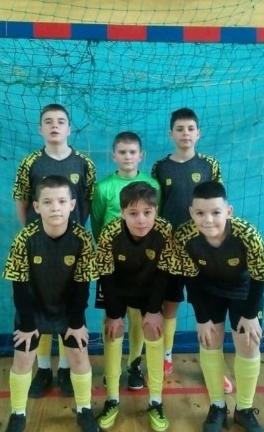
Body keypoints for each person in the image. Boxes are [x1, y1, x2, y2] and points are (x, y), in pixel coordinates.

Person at [172, 181, 264, 432]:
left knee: (249, 343)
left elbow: (260, 276)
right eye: (200, 213)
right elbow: (190, 279)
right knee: (209, 341)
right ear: (191, 213)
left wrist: (250, 314)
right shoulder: (184, 236)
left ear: (228, 211)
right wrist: (202, 318)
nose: (208, 220)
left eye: (215, 212)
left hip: (244, 291)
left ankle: (244, 409)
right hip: (208, 290)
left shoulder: (247, 234)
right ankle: (217, 406)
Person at [2, 175, 99, 432]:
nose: (55, 207)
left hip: (68, 311)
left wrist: (76, 322)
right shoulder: (24, 239)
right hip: (33, 310)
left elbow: (82, 284)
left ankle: (84, 409)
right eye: (47, 202)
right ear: (36, 207)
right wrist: (27, 323)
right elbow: (19, 284)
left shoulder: (82, 239)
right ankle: (18, 414)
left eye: (61, 201)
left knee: (79, 356)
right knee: (23, 359)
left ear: (72, 205)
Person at [12, 103, 96, 398]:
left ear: (69, 128)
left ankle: (65, 370)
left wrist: (74, 230)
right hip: (40, 245)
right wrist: (32, 231)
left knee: (68, 301)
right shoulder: (30, 163)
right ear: (41, 129)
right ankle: (44, 369)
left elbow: (87, 201)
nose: (55, 126)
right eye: (48, 121)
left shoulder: (84, 163)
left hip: (72, 246)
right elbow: (22, 200)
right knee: (41, 301)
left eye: (60, 121)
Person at [151, 107, 232, 393]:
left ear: (198, 133)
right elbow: (155, 207)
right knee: (169, 303)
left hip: (203, 249)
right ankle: (166, 358)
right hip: (172, 247)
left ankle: (214, 368)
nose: (185, 133)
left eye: (190, 129)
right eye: (180, 129)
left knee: (208, 307)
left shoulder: (209, 164)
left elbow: (217, 205)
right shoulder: (160, 167)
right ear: (170, 134)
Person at [94, 181, 173, 431]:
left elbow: (163, 273)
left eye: (147, 212)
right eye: (133, 213)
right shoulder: (110, 232)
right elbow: (106, 275)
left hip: (149, 289)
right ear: (122, 213)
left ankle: (156, 401)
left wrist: (154, 310)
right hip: (118, 287)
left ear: (156, 211)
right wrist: (114, 315)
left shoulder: (165, 230)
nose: (141, 219)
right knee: (113, 330)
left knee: (153, 330)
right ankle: (112, 399)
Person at [90, 131, 161, 391]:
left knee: (138, 317)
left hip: (144, 263)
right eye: (122, 152)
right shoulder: (103, 187)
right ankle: (112, 370)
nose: (127, 156)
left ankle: (134, 365)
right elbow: (97, 223)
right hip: (114, 263)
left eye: (132, 152)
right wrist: (111, 251)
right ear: (114, 156)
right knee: (113, 316)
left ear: (141, 156)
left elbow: (155, 220)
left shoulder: (153, 185)